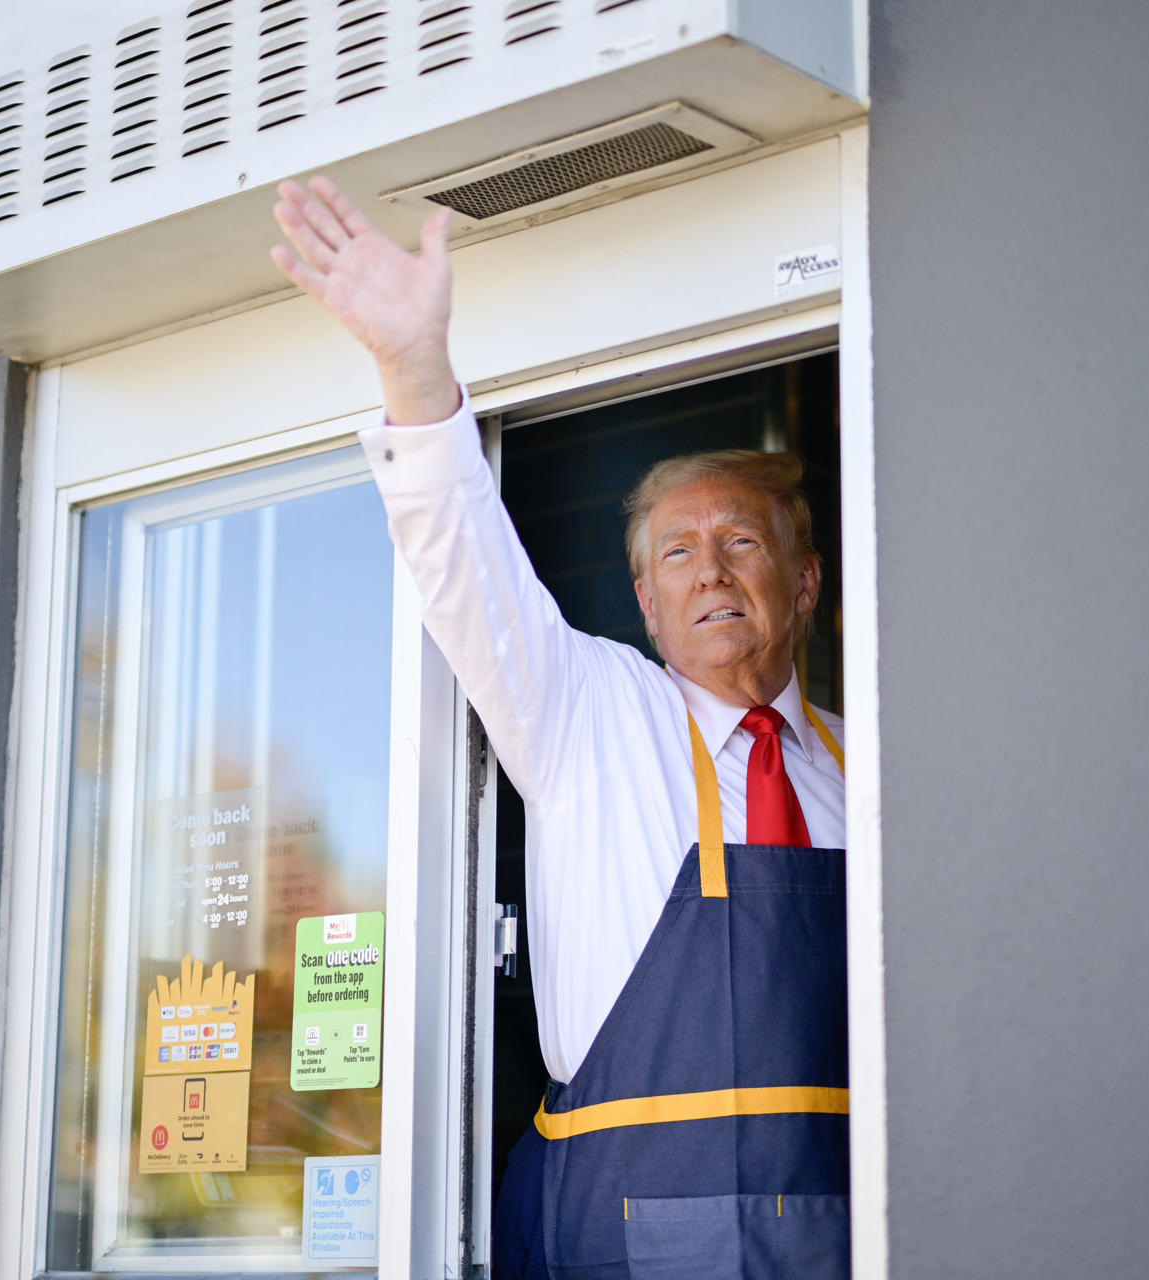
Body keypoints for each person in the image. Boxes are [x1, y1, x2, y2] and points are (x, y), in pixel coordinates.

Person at [271, 178, 850, 1279]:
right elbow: (463, 567)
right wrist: (413, 371)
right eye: (677, 551)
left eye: (742, 539)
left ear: (806, 577)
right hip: (629, 1243)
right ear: (643, 601)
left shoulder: (863, 765)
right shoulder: (587, 708)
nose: (712, 568)